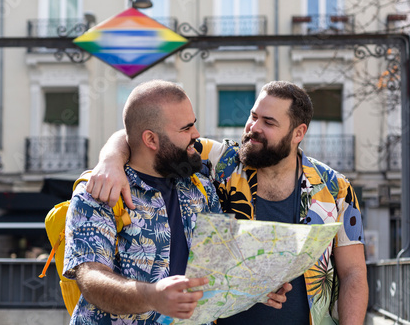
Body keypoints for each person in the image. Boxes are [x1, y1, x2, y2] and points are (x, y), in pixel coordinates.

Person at [87, 81, 368, 325]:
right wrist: (110, 160)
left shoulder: (336, 189)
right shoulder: (220, 161)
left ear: (298, 133)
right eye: (253, 115)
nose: (253, 128)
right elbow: (146, 136)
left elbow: (353, 272)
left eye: (268, 122)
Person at [63, 80, 291, 325]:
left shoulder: (201, 188)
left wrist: (256, 286)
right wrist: (152, 296)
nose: (196, 134)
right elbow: (91, 279)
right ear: (151, 140)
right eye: (186, 128)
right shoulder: (100, 190)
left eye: (194, 124)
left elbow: (220, 264)